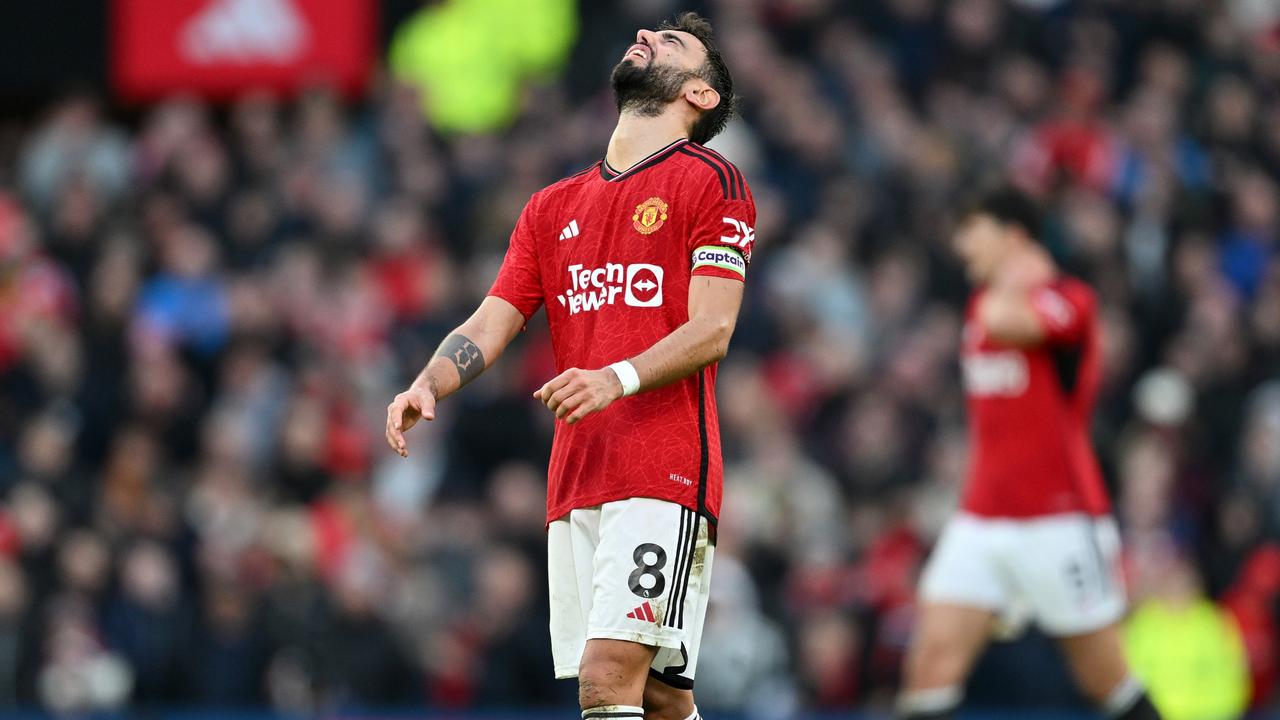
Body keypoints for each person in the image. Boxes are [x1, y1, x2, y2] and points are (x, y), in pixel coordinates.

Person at [385, 12, 754, 720]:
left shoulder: (713, 182)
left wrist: (614, 377)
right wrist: (428, 381)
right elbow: (493, 321)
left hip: (663, 470)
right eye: (645, 34)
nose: (645, 36)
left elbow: (714, 327)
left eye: (670, 43)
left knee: (606, 679)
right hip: (578, 477)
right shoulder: (552, 207)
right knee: (659, 698)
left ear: (700, 95)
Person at [897, 187, 1161, 720]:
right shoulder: (983, 300)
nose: (962, 243)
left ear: (1013, 236)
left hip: (1058, 518)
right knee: (930, 665)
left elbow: (1009, 323)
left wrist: (1019, 278)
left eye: (973, 230)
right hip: (982, 519)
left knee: (1105, 679)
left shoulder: (1069, 299)